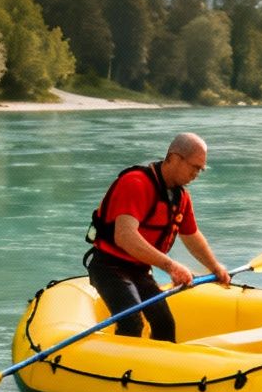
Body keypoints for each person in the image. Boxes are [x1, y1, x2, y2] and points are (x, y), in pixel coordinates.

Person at [83, 133, 232, 341]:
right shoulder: (135, 183)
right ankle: (121, 368)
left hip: (140, 270)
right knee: (132, 320)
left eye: (201, 169)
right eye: (194, 167)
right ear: (174, 158)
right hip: (109, 268)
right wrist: (171, 266)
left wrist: (215, 267)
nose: (197, 174)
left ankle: (158, 369)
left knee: (164, 323)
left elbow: (191, 235)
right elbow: (125, 236)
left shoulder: (181, 197)